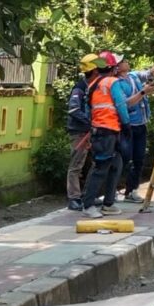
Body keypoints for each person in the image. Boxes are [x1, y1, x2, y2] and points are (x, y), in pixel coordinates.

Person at [81, 52, 132, 218]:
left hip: (101, 131)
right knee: (101, 168)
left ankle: (108, 203)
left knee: (116, 164)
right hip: (108, 132)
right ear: (112, 67)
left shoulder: (93, 85)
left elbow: (90, 111)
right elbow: (120, 105)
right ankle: (88, 205)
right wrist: (126, 124)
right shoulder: (112, 82)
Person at [117, 57, 154, 202]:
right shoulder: (116, 83)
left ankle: (131, 191)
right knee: (125, 160)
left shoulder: (133, 76)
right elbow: (126, 104)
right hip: (127, 126)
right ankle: (112, 190)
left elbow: (148, 74)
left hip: (141, 125)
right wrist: (143, 92)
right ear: (117, 67)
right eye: (122, 61)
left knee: (139, 159)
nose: (126, 61)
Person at [64, 53, 100, 210]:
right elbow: (74, 109)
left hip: (90, 131)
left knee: (94, 163)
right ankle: (74, 198)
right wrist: (89, 122)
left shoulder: (92, 86)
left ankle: (87, 194)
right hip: (80, 132)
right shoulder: (80, 88)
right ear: (94, 70)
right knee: (76, 165)